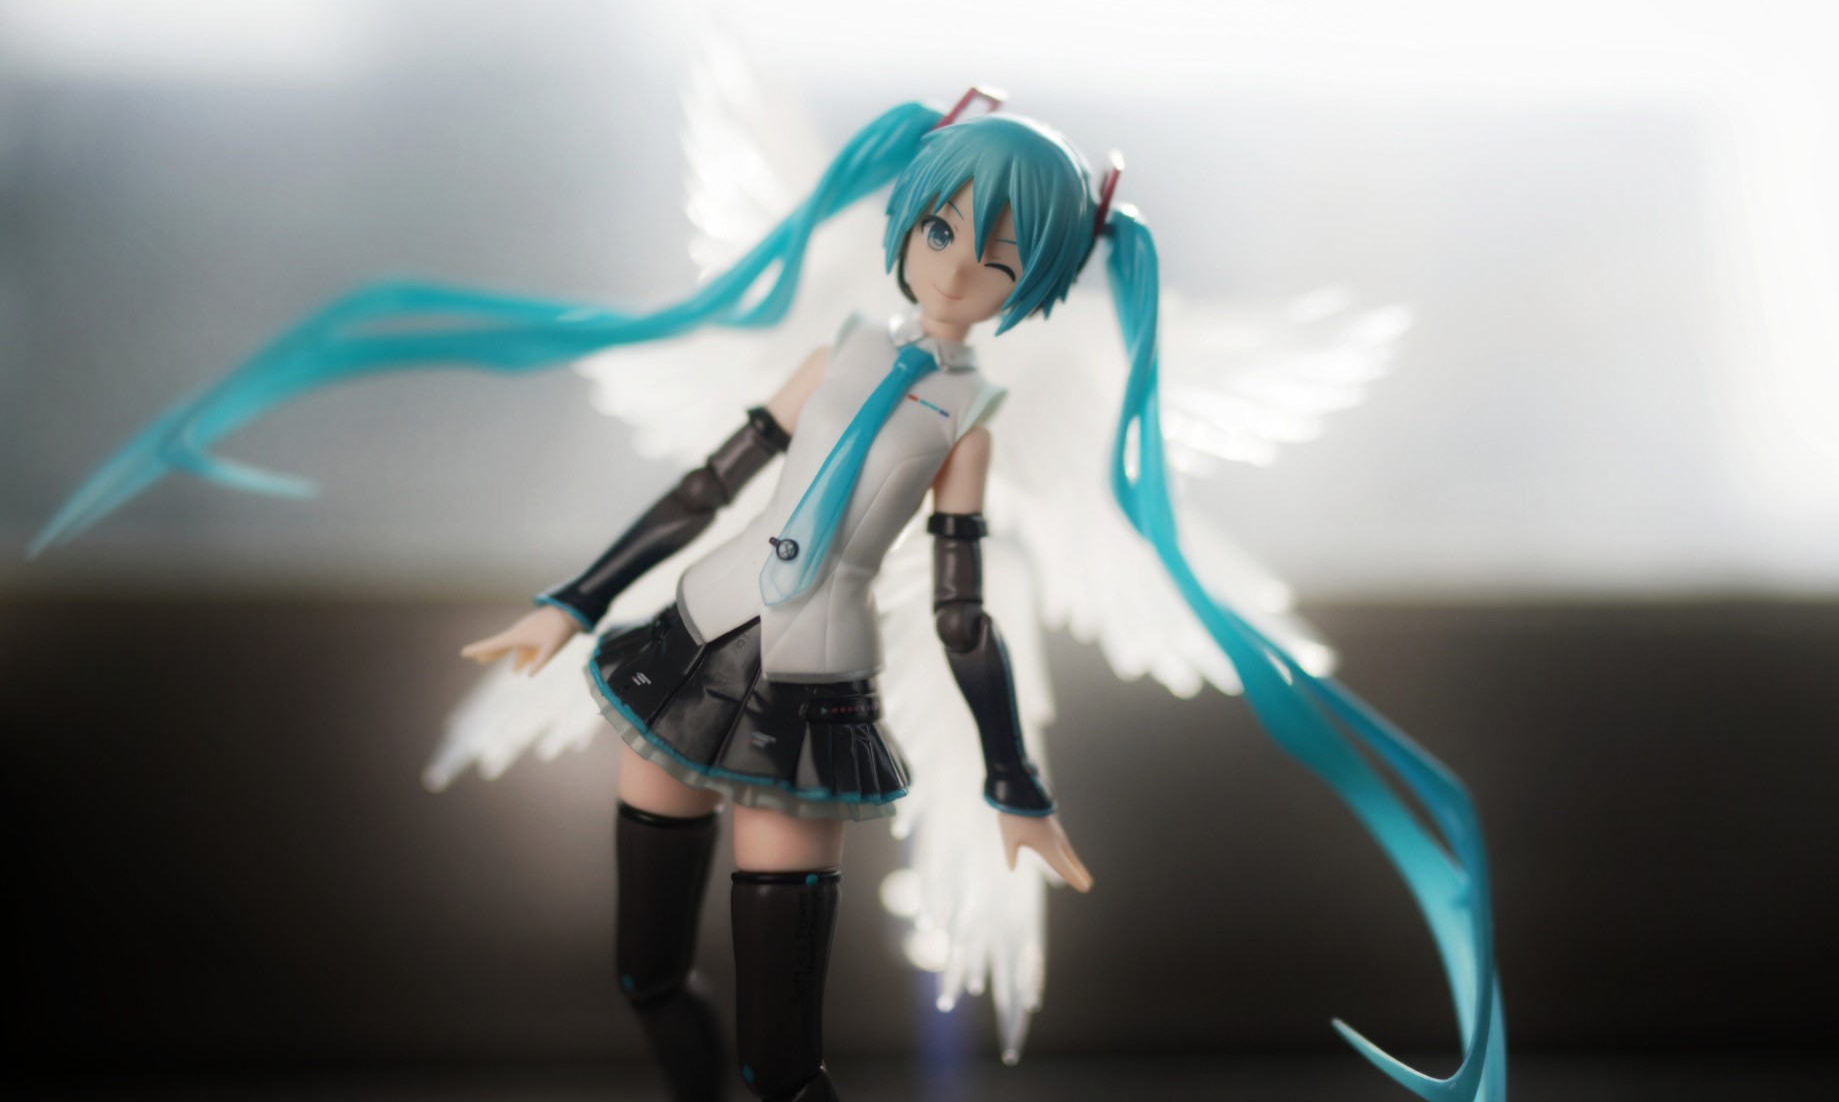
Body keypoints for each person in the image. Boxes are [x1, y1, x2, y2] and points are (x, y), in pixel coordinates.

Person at [36, 92, 1504, 1102]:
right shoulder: (832, 359)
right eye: (945, 232)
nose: (960, 270)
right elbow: (705, 488)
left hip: (808, 701)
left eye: (1001, 258)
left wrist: (1011, 778)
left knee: (785, 1064)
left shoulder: (972, 420)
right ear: (907, 221)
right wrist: (569, 602)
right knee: (644, 978)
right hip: (684, 648)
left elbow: (962, 613)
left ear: (1037, 282)